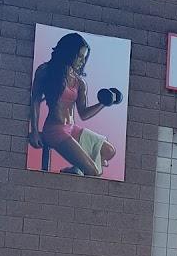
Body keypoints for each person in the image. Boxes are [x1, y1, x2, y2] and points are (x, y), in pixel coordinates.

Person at [29, 33, 117, 176]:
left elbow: (84, 113)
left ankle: (77, 169)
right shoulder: (45, 71)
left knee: (109, 151)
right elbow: (35, 100)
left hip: (71, 128)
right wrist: (34, 130)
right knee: (92, 171)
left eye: (84, 57)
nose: (83, 61)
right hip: (54, 130)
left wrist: (103, 103)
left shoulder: (79, 82)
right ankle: (80, 169)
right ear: (69, 53)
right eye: (79, 56)